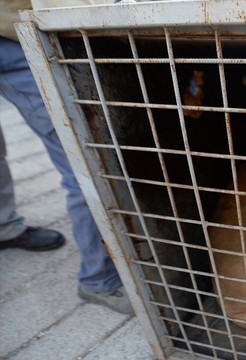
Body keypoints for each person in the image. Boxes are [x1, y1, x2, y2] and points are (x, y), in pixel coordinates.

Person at [0, 0, 133, 315]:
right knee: (85, 165)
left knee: (83, 160)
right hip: (16, 33)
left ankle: (4, 228)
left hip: (12, 27)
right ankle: (98, 278)